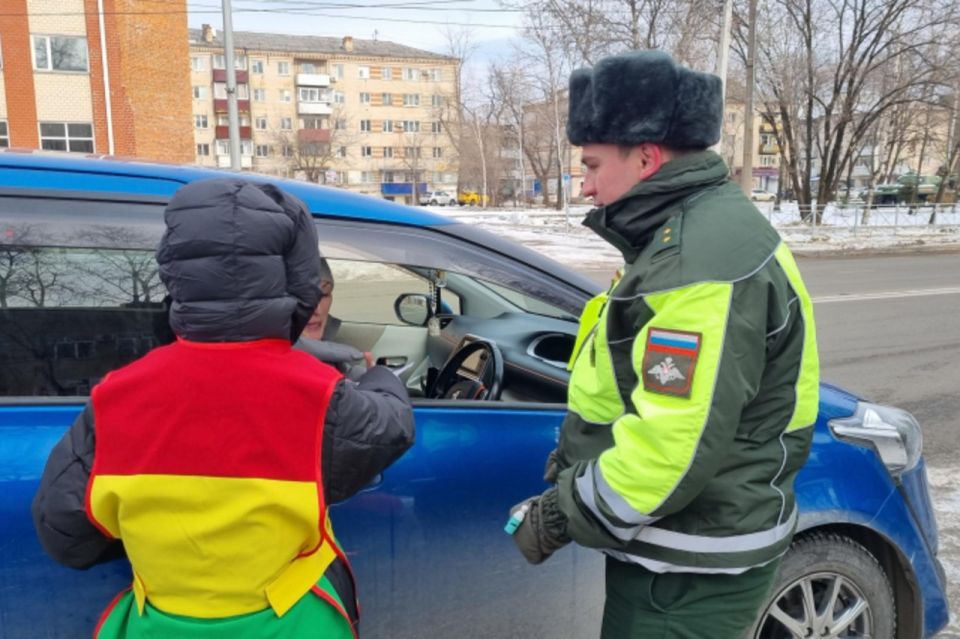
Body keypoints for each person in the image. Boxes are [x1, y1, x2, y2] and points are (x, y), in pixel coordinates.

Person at [508, 50, 819, 639]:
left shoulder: (696, 261)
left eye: (593, 165)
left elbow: (673, 445)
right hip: (679, 548)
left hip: (687, 567)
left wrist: (563, 511)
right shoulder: (690, 235)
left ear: (647, 157)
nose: (586, 184)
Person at [32, 178, 415, 638]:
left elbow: (66, 534)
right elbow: (393, 427)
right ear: (297, 278)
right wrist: (381, 377)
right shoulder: (320, 396)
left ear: (174, 273)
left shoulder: (116, 396)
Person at [296, 257, 375, 377]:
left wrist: (372, 377)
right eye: (302, 298)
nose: (317, 309)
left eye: (324, 294)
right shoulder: (280, 367)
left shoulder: (329, 356)